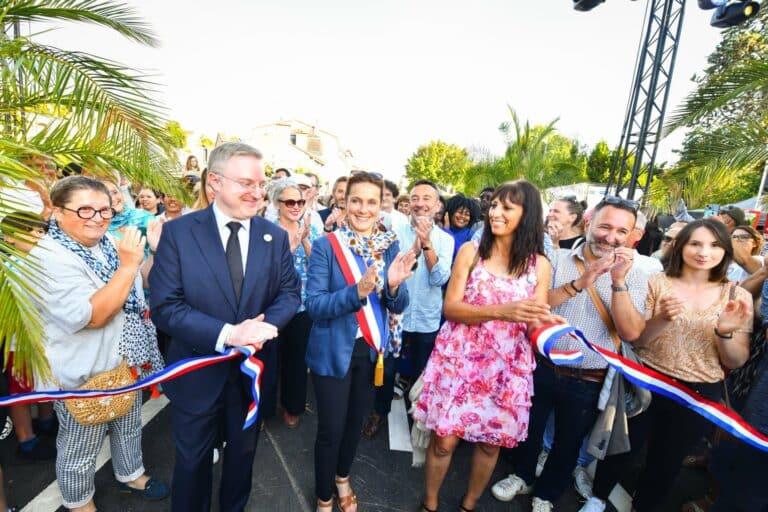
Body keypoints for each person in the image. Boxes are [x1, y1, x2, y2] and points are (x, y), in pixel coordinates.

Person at [149, 142, 301, 512]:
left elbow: (289, 294)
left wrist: (262, 329)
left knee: (242, 458)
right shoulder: (179, 233)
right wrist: (229, 334)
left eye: (261, 184)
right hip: (196, 373)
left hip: (250, 375)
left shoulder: (274, 236)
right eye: (246, 183)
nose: (257, 192)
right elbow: (165, 307)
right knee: (192, 463)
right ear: (214, 181)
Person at [582, 219, 753, 512]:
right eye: (696, 243)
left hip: (697, 394)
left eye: (714, 245)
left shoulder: (738, 296)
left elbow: (735, 360)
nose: (704, 252)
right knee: (621, 448)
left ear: (726, 251)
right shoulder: (658, 282)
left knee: (667, 461)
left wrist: (725, 331)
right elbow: (639, 340)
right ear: (681, 245)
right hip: (647, 381)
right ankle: (597, 499)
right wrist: (661, 318)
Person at [492, 196, 649, 512]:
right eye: (605, 226)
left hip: (589, 377)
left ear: (634, 235)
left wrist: (618, 282)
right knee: (528, 428)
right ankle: (521, 476)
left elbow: (632, 333)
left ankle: (546, 494)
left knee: (568, 442)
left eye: (621, 231)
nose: (611, 237)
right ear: (589, 223)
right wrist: (581, 282)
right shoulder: (558, 259)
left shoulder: (638, 273)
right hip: (542, 366)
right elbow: (534, 305)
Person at [414, 181, 553, 512]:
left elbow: (534, 320)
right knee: (444, 441)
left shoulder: (540, 266)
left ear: (528, 214)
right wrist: (501, 312)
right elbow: (451, 308)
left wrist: (549, 325)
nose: (495, 213)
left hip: (507, 366)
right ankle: (430, 504)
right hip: (461, 360)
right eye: (494, 206)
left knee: (491, 445)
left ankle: (468, 505)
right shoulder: (471, 252)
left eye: (507, 208)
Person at [32, 176, 169, 512]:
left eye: (104, 209)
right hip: (83, 372)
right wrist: (128, 265)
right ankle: (79, 502)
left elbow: (141, 287)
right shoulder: (48, 257)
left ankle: (130, 473)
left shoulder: (112, 242)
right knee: (81, 443)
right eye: (84, 210)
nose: (97, 217)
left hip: (127, 359)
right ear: (57, 212)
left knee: (128, 423)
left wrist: (152, 252)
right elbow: (94, 316)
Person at [305, 172, 415, 512]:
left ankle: (342, 477)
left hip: (371, 353)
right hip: (333, 352)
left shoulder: (389, 244)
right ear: (344, 202)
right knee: (331, 430)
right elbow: (316, 305)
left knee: (354, 426)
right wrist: (359, 291)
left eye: (372, 201)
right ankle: (324, 495)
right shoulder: (327, 246)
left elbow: (398, 304)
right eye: (356, 200)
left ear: (382, 204)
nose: (363, 209)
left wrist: (393, 287)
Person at [363, 179, 454, 439]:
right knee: (388, 368)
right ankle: (379, 412)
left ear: (437, 206)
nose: (420, 203)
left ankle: (419, 418)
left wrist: (426, 244)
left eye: (427, 198)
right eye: (415, 198)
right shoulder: (394, 233)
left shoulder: (445, 240)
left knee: (421, 371)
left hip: (426, 318)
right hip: (395, 315)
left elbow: (439, 280)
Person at [0, 212, 56, 462]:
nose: (39, 235)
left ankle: (46, 421)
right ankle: (26, 440)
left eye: (41, 231)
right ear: (9, 239)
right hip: (19, 344)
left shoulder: (43, 262)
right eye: (30, 231)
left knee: (46, 381)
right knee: (21, 391)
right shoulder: (8, 270)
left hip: (45, 338)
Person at [270, 178, 321, 428]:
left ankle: (292, 406)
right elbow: (263, 270)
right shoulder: (266, 231)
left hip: (302, 307)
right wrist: (289, 247)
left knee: (297, 359)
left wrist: (304, 240)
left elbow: (319, 267)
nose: (295, 206)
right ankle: (265, 408)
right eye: (289, 201)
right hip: (271, 305)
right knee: (269, 360)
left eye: (299, 201)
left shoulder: (310, 229)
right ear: (277, 204)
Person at [443, 193, 481, 263]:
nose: (463, 216)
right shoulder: (440, 229)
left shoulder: (472, 235)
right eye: (460, 212)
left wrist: (448, 232)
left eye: (467, 214)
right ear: (450, 213)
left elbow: (462, 255)